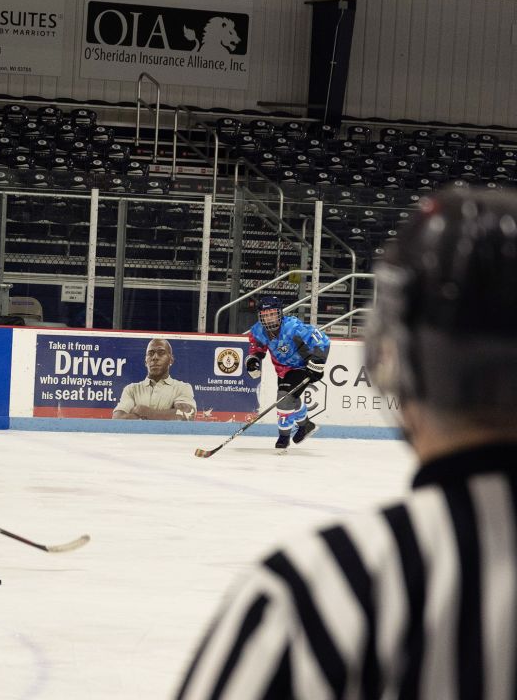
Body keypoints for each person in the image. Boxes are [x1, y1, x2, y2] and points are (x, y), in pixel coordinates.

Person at [176, 187, 517, 698]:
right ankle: (298, 421)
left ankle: (300, 418)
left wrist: (311, 369)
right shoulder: (262, 331)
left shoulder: (312, 590)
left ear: (391, 365)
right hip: (287, 374)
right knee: (286, 405)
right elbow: (251, 349)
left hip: (303, 375)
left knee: (291, 405)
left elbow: (319, 347)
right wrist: (253, 361)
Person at [246, 295, 330, 451]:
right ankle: (305, 425)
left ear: (279, 313)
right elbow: (257, 348)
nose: (269, 318)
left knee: (284, 398)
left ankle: (283, 438)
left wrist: (318, 361)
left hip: (302, 366)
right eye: (265, 315)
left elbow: (322, 340)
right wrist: (253, 361)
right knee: (292, 398)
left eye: (272, 314)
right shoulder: (258, 330)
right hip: (282, 370)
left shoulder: (293, 327)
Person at [112, 338, 196, 420]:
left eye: (161, 353)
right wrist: (169, 415)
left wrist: (145, 411)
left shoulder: (182, 388)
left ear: (171, 360)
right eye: (151, 353)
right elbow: (118, 418)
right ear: (145, 361)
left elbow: (186, 416)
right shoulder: (132, 389)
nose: (155, 357)